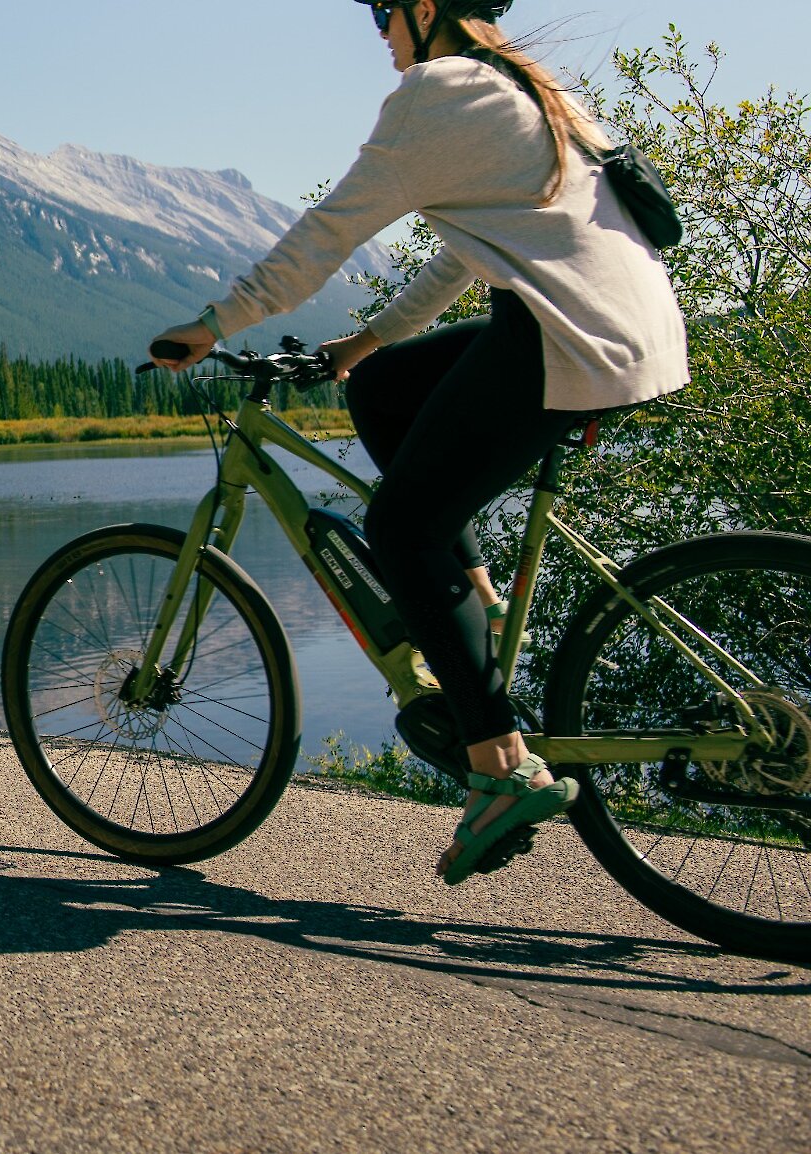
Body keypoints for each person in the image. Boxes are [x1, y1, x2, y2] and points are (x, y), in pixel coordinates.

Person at [150, 0, 687, 883]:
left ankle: (500, 770)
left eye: (384, 24)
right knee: (389, 391)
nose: (385, 46)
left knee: (400, 531)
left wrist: (215, 321)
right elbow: (469, 253)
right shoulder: (525, 88)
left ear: (423, 10)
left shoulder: (436, 91)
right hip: (612, 327)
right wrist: (364, 345)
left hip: (567, 335)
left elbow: (330, 231)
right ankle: (467, 594)